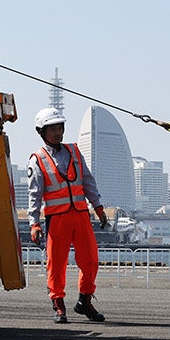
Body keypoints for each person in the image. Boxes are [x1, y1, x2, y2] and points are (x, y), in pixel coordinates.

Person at [27, 106, 108, 323]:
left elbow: (88, 180)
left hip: (81, 215)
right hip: (57, 219)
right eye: (52, 128)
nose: (57, 132)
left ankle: (84, 301)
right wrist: (34, 224)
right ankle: (58, 305)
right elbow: (34, 195)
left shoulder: (74, 151)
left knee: (91, 260)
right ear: (42, 132)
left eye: (60, 127)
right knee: (56, 264)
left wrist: (98, 207)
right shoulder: (38, 159)